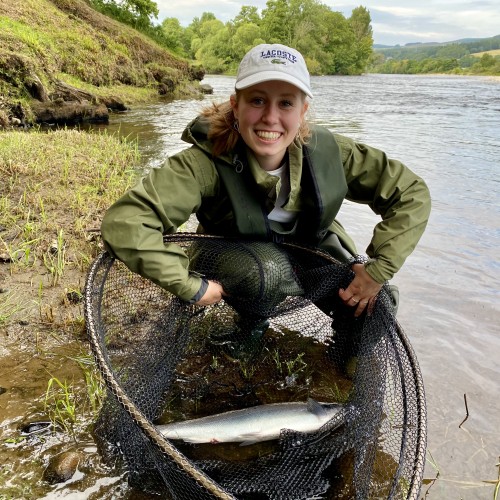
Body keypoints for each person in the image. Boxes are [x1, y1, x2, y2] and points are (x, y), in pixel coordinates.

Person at [100, 43, 431, 357]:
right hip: (232, 256)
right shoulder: (202, 162)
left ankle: (344, 360)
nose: (271, 117)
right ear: (236, 105)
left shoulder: (332, 153)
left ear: (303, 111)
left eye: (286, 103)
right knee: (267, 272)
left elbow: (411, 193)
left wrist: (377, 270)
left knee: (380, 301)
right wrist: (190, 286)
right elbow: (126, 222)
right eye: (257, 101)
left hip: (308, 247)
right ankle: (249, 327)